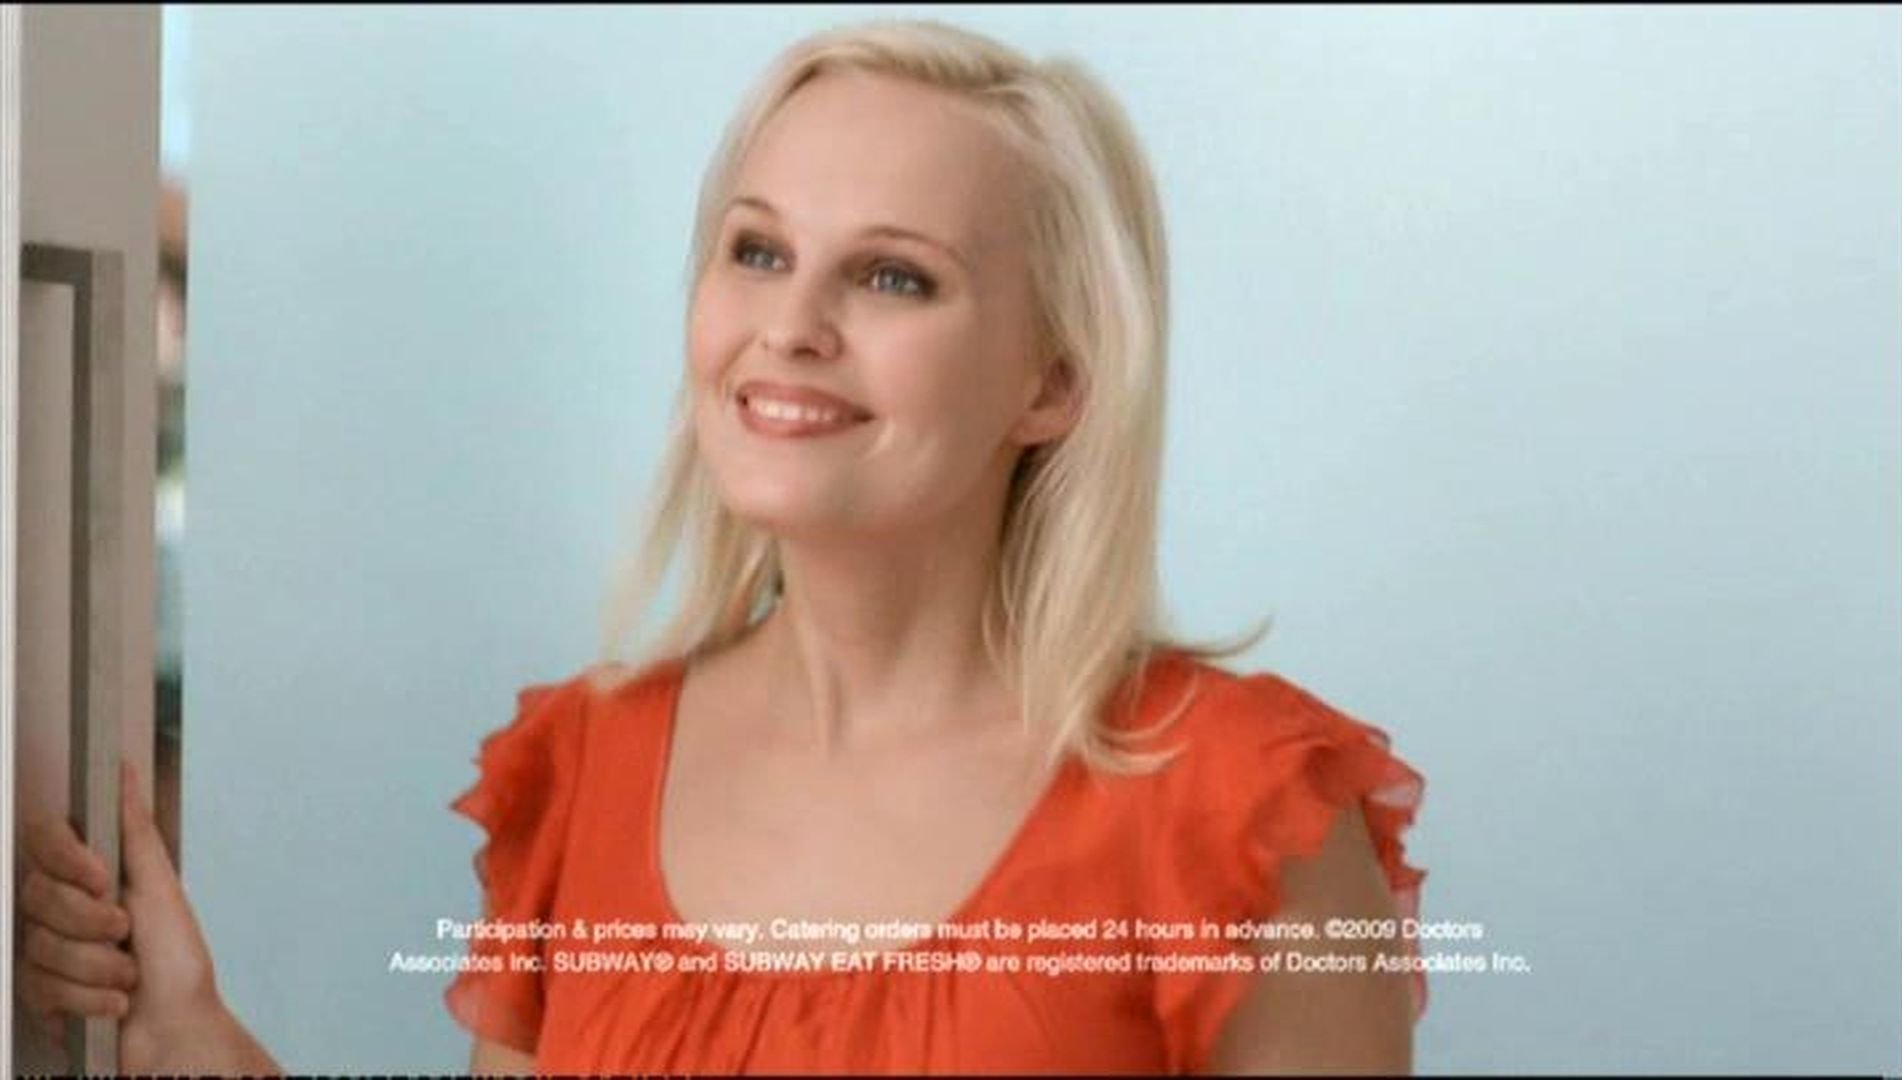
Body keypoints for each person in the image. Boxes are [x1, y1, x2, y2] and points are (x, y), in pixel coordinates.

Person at [13, 17, 1429, 1075]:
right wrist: (189, 1038)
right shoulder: (582, 770)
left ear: (1053, 382)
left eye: (894, 276)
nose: (790, 327)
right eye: (757, 251)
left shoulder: (1247, 812)